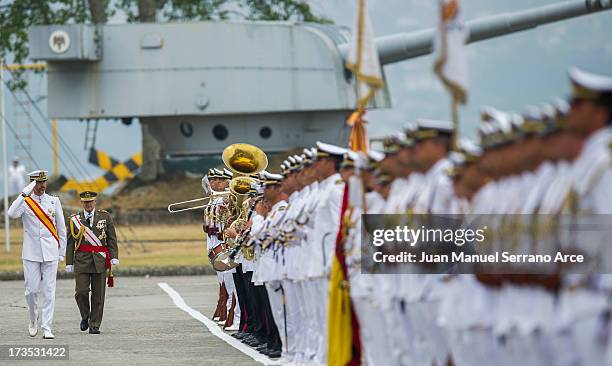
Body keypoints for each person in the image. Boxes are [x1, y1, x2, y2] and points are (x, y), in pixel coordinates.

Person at [7, 170, 67, 339]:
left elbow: (61, 229)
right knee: (31, 291)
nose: (42, 186)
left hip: (51, 252)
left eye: (43, 182)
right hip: (31, 253)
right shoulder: (25, 202)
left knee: (49, 291)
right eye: (38, 183)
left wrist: (61, 252)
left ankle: (47, 327)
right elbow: (11, 214)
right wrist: (24, 193)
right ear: (32, 184)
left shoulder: (54, 201)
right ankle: (33, 319)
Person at [65, 191, 119, 334]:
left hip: (100, 260)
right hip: (82, 260)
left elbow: (111, 238)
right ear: (82, 203)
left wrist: (114, 256)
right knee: (81, 292)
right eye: (85, 202)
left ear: (95, 202)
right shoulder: (74, 219)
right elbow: (70, 243)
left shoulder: (105, 217)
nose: (88, 205)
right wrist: (69, 262)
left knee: (98, 295)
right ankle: (85, 316)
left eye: (91, 202)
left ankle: (94, 325)